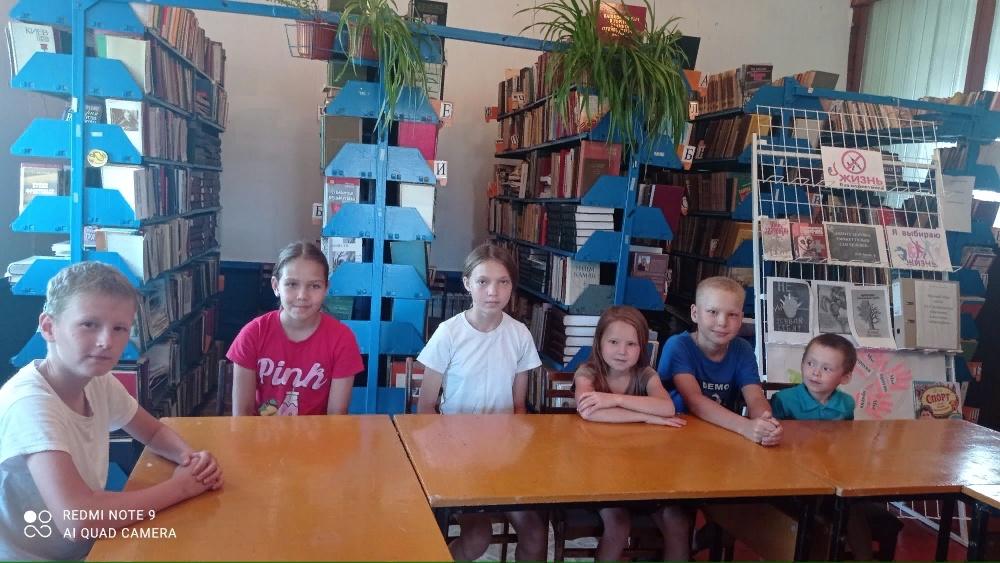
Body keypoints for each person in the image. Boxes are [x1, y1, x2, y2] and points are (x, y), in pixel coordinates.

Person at [0, 262, 223, 561]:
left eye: (119, 328)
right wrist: (180, 488)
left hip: (88, 546)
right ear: (49, 327)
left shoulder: (97, 381)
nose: (106, 341)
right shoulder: (29, 404)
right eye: (89, 324)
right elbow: (78, 520)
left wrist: (191, 459)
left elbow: (153, 431)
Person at [416, 243, 547, 561]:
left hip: (503, 455)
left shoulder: (519, 335)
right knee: (477, 537)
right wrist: (444, 455)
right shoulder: (449, 333)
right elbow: (426, 406)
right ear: (467, 283)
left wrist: (514, 455)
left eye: (503, 282)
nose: (493, 291)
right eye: (483, 281)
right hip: (456, 455)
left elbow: (519, 406)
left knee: (534, 533)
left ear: (512, 287)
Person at [655, 276, 781, 560]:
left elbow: (755, 396)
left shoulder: (742, 350)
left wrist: (766, 422)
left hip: (718, 451)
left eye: (732, 315)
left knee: (748, 509)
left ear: (741, 318)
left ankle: (705, 538)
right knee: (677, 516)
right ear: (695, 313)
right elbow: (695, 402)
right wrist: (747, 428)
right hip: (672, 450)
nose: (722, 322)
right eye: (713, 312)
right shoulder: (678, 345)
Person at [771, 333, 900, 560]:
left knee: (851, 507)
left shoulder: (845, 405)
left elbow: (845, 443)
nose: (815, 372)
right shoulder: (784, 400)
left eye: (826, 368)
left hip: (832, 477)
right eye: (810, 363)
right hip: (793, 479)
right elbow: (774, 447)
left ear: (845, 377)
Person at [574, 305, 685, 561]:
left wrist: (614, 400)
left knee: (677, 522)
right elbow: (588, 411)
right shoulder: (588, 373)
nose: (622, 351)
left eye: (631, 344)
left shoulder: (646, 375)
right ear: (599, 342)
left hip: (644, 474)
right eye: (613, 342)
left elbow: (667, 408)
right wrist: (646, 416)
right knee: (618, 524)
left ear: (642, 347)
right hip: (600, 474)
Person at [228, 241, 363, 416]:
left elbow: (336, 415)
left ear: (326, 288)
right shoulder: (253, 334)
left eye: (314, 286)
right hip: (261, 432)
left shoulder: (342, 339)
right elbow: (242, 415)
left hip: (319, 433)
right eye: (292, 284)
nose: (302, 296)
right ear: (276, 286)